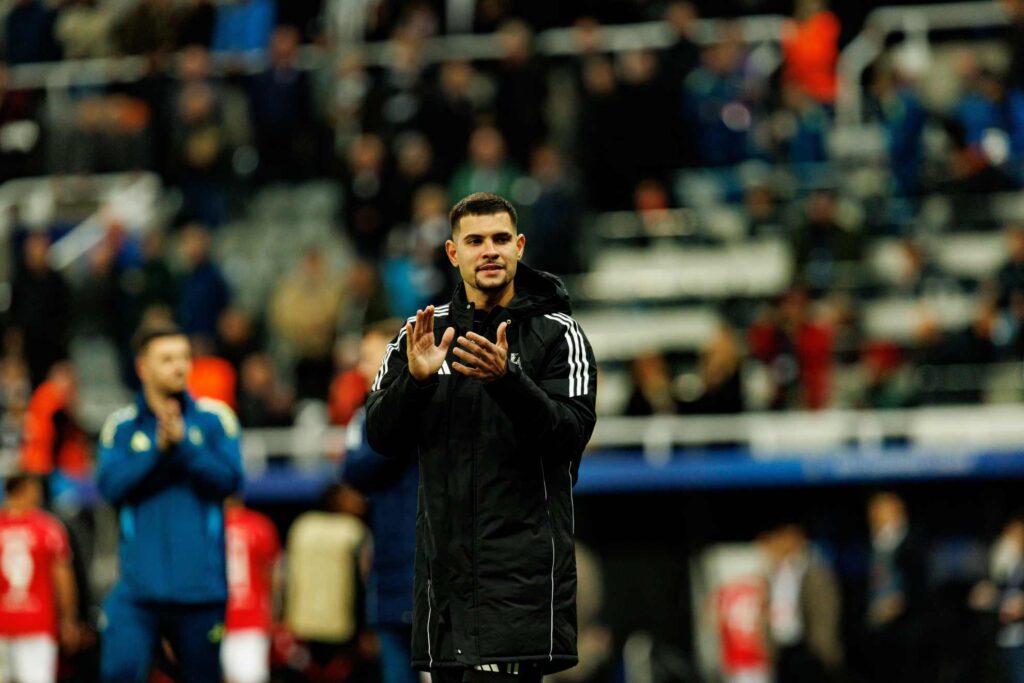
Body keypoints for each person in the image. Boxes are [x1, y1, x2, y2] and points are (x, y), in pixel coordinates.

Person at [366, 192, 598, 683]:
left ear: (519, 247)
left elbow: (569, 437)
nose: (488, 250)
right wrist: (417, 381)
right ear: (453, 253)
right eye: (474, 241)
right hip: (443, 587)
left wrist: (508, 382)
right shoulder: (419, 336)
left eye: (499, 239)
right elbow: (379, 438)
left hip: (519, 583)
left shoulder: (559, 335)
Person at [96, 322, 244, 682]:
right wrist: (158, 453)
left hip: (200, 589)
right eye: (167, 359)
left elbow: (230, 481)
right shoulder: (122, 427)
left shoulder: (214, 419)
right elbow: (110, 487)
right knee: (118, 672)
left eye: (184, 357)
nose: (179, 367)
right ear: (142, 367)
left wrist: (185, 448)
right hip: (138, 589)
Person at [342, 323, 419, 683]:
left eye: (370, 357)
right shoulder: (365, 416)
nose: (360, 368)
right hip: (389, 570)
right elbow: (354, 469)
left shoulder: (439, 405)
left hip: (438, 572)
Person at [0, 473, 79, 683]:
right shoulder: (48, 528)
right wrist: (68, 618)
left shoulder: (47, 527)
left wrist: (68, 619)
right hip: (36, 624)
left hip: (33, 627)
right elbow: (63, 577)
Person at [222, 496, 281, 683]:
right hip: (251, 618)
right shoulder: (259, 525)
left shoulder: (205, 525)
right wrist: (275, 614)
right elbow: (273, 576)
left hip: (215, 620)